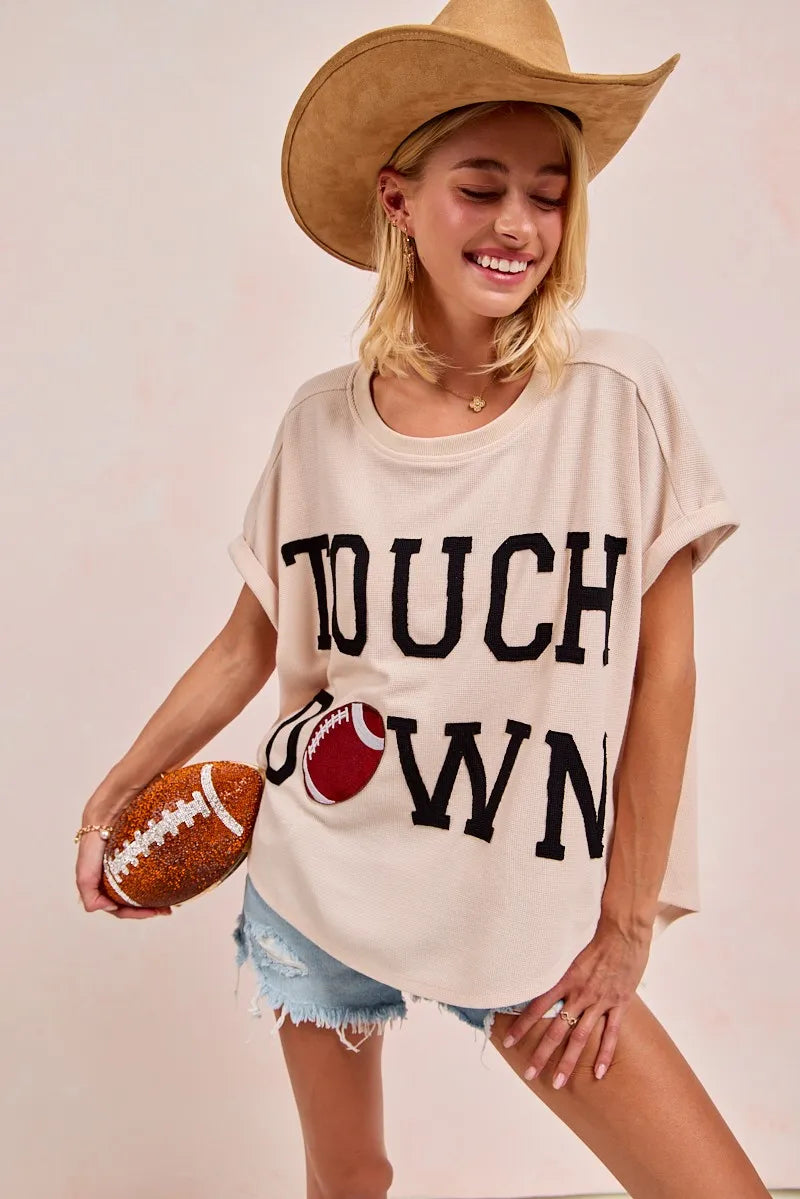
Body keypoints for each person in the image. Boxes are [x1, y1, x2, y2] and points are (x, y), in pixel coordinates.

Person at [76, 2, 771, 1196]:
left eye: (546, 194)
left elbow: (665, 677)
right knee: (349, 1181)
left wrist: (622, 928)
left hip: (523, 900)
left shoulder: (619, 398)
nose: (516, 224)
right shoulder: (319, 423)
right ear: (400, 199)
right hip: (322, 872)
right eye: (480, 184)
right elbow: (251, 641)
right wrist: (112, 792)